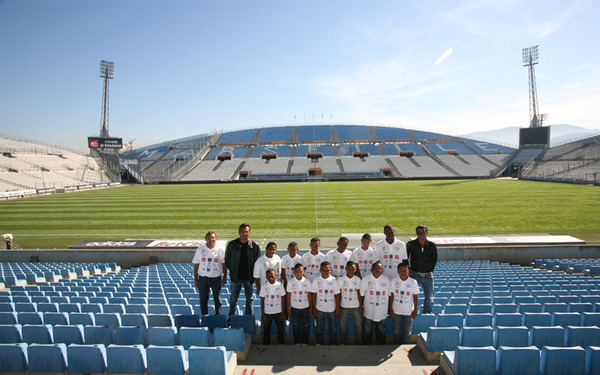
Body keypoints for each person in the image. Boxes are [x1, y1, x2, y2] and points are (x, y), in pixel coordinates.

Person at [225, 223, 261, 317]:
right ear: (239, 232)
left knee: (249, 299)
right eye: (242, 231)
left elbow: (258, 262)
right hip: (236, 277)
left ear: (249, 233)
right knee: (233, 299)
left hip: (249, 278)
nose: (244, 234)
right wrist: (233, 270)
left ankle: (248, 317)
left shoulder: (254, 246)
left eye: (246, 231)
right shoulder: (232, 245)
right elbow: (227, 260)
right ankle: (231, 317)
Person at [192, 231, 226, 315]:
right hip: (203, 278)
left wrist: (225, 277)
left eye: (213, 238)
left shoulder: (220, 249)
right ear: (206, 239)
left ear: (216, 239)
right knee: (203, 300)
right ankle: (204, 316)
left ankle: (218, 316)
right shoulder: (200, 250)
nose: (211, 240)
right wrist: (196, 279)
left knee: (217, 300)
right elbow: (196, 264)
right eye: (209, 238)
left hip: (216, 278)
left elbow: (224, 263)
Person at [406, 225, 438, 314]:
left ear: (427, 233)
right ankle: (410, 311)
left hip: (428, 276)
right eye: (419, 233)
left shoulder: (432, 245)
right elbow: (405, 258)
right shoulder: (411, 245)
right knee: (410, 295)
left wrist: (429, 270)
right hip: (414, 274)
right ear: (416, 233)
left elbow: (434, 259)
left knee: (429, 296)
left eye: (423, 232)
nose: (421, 235)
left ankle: (427, 312)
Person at [360, 261, 391, 345]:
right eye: (376, 268)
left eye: (380, 269)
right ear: (371, 269)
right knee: (367, 330)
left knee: (381, 330)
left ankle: (380, 346)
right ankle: (366, 347)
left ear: (382, 270)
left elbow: (389, 295)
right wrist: (361, 307)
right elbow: (361, 295)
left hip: (382, 311)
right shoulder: (365, 279)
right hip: (369, 311)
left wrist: (390, 309)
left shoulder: (386, 280)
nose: (378, 270)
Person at [310, 261, 340, 345]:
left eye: (327, 270)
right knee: (319, 327)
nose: (325, 272)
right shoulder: (316, 280)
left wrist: (337, 308)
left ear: (330, 270)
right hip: (319, 308)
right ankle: (319, 342)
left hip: (331, 309)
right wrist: (314, 309)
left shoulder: (334, 281)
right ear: (320, 270)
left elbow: (337, 295)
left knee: (333, 328)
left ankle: (333, 342)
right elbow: (313, 296)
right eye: (323, 270)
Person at [390, 262, 419, 344]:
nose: (403, 272)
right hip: (396, 310)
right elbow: (391, 296)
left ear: (408, 271)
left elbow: (415, 296)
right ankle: (396, 346)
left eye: (405, 270)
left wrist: (415, 309)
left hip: (408, 310)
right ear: (398, 271)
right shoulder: (394, 281)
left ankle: (405, 346)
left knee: (407, 331)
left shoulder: (413, 282)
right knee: (396, 330)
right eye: (401, 270)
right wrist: (391, 309)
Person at [286, 263, 312, 345]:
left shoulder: (307, 282)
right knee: (295, 325)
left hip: (305, 307)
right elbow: (288, 296)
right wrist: (288, 309)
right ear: (294, 272)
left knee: (306, 326)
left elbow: (309, 296)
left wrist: (311, 308)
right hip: (295, 308)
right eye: (297, 272)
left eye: (301, 271)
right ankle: (297, 341)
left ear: (304, 271)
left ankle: (305, 342)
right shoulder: (290, 282)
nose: (299, 273)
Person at [338, 260, 362, 345]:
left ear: (355, 270)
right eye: (349, 269)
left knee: (358, 326)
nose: (351, 271)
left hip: (355, 306)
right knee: (343, 326)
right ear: (345, 269)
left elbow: (359, 293)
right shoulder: (341, 279)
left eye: (353, 269)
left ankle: (359, 342)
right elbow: (339, 293)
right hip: (344, 306)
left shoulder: (358, 279)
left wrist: (360, 306)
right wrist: (338, 306)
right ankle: (343, 342)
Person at [260, 268, 286, 345]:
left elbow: (283, 299)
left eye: (272, 276)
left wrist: (283, 313)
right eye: (268, 277)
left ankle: (281, 343)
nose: (270, 278)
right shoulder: (264, 286)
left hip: (278, 311)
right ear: (266, 277)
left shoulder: (280, 285)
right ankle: (266, 343)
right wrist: (263, 314)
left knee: (280, 328)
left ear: (276, 276)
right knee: (266, 329)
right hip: (267, 311)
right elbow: (262, 300)